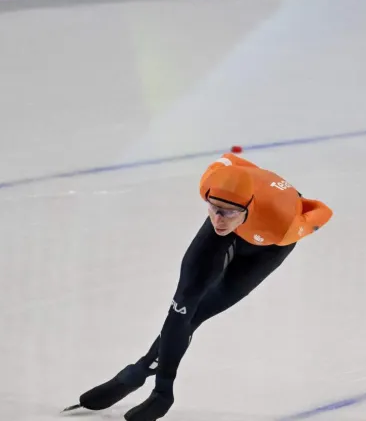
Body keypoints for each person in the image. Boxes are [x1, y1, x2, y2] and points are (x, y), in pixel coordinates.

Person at [67, 153, 333, 421]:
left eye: (228, 213)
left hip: (267, 247)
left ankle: (137, 372)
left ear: (248, 207)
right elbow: (229, 161)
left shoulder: (284, 224)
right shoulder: (211, 183)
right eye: (213, 209)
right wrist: (239, 185)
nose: (219, 220)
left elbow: (322, 211)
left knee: (200, 312)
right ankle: (161, 391)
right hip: (234, 228)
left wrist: (288, 200)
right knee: (183, 306)